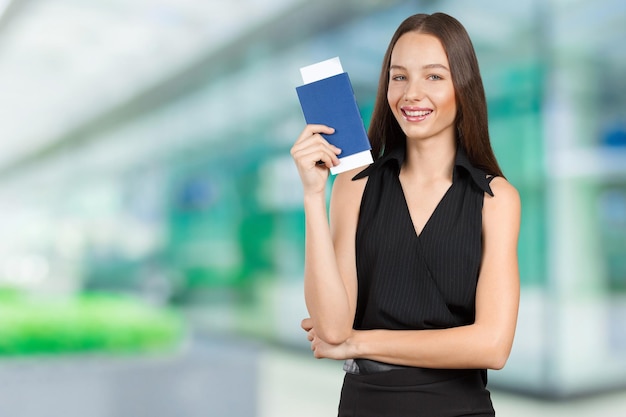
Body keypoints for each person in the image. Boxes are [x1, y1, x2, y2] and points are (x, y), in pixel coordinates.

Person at [290, 12, 520, 417]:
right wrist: (312, 196)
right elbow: (331, 329)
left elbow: (492, 346)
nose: (412, 94)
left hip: (458, 408)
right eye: (399, 77)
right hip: (366, 406)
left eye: (433, 76)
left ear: (462, 86)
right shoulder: (354, 185)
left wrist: (359, 343)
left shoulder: (495, 198)